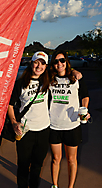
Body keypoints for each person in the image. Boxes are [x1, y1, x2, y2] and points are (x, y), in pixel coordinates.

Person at [8, 51, 50, 188]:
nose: (39, 66)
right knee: (23, 165)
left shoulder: (47, 81)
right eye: (37, 62)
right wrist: (14, 123)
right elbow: (9, 105)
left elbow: (65, 72)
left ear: (46, 66)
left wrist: (75, 72)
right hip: (25, 131)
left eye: (43, 63)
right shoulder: (20, 83)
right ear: (31, 63)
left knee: (37, 165)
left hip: (44, 130)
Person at [48, 50, 90, 188]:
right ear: (52, 64)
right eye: (56, 61)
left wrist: (84, 109)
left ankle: (70, 187)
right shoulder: (49, 79)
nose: (59, 64)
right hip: (54, 125)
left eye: (62, 60)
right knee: (56, 159)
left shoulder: (75, 78)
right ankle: (55, 185)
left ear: (66, 62)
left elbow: (84, 96)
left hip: (72, 126)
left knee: (72, 160)